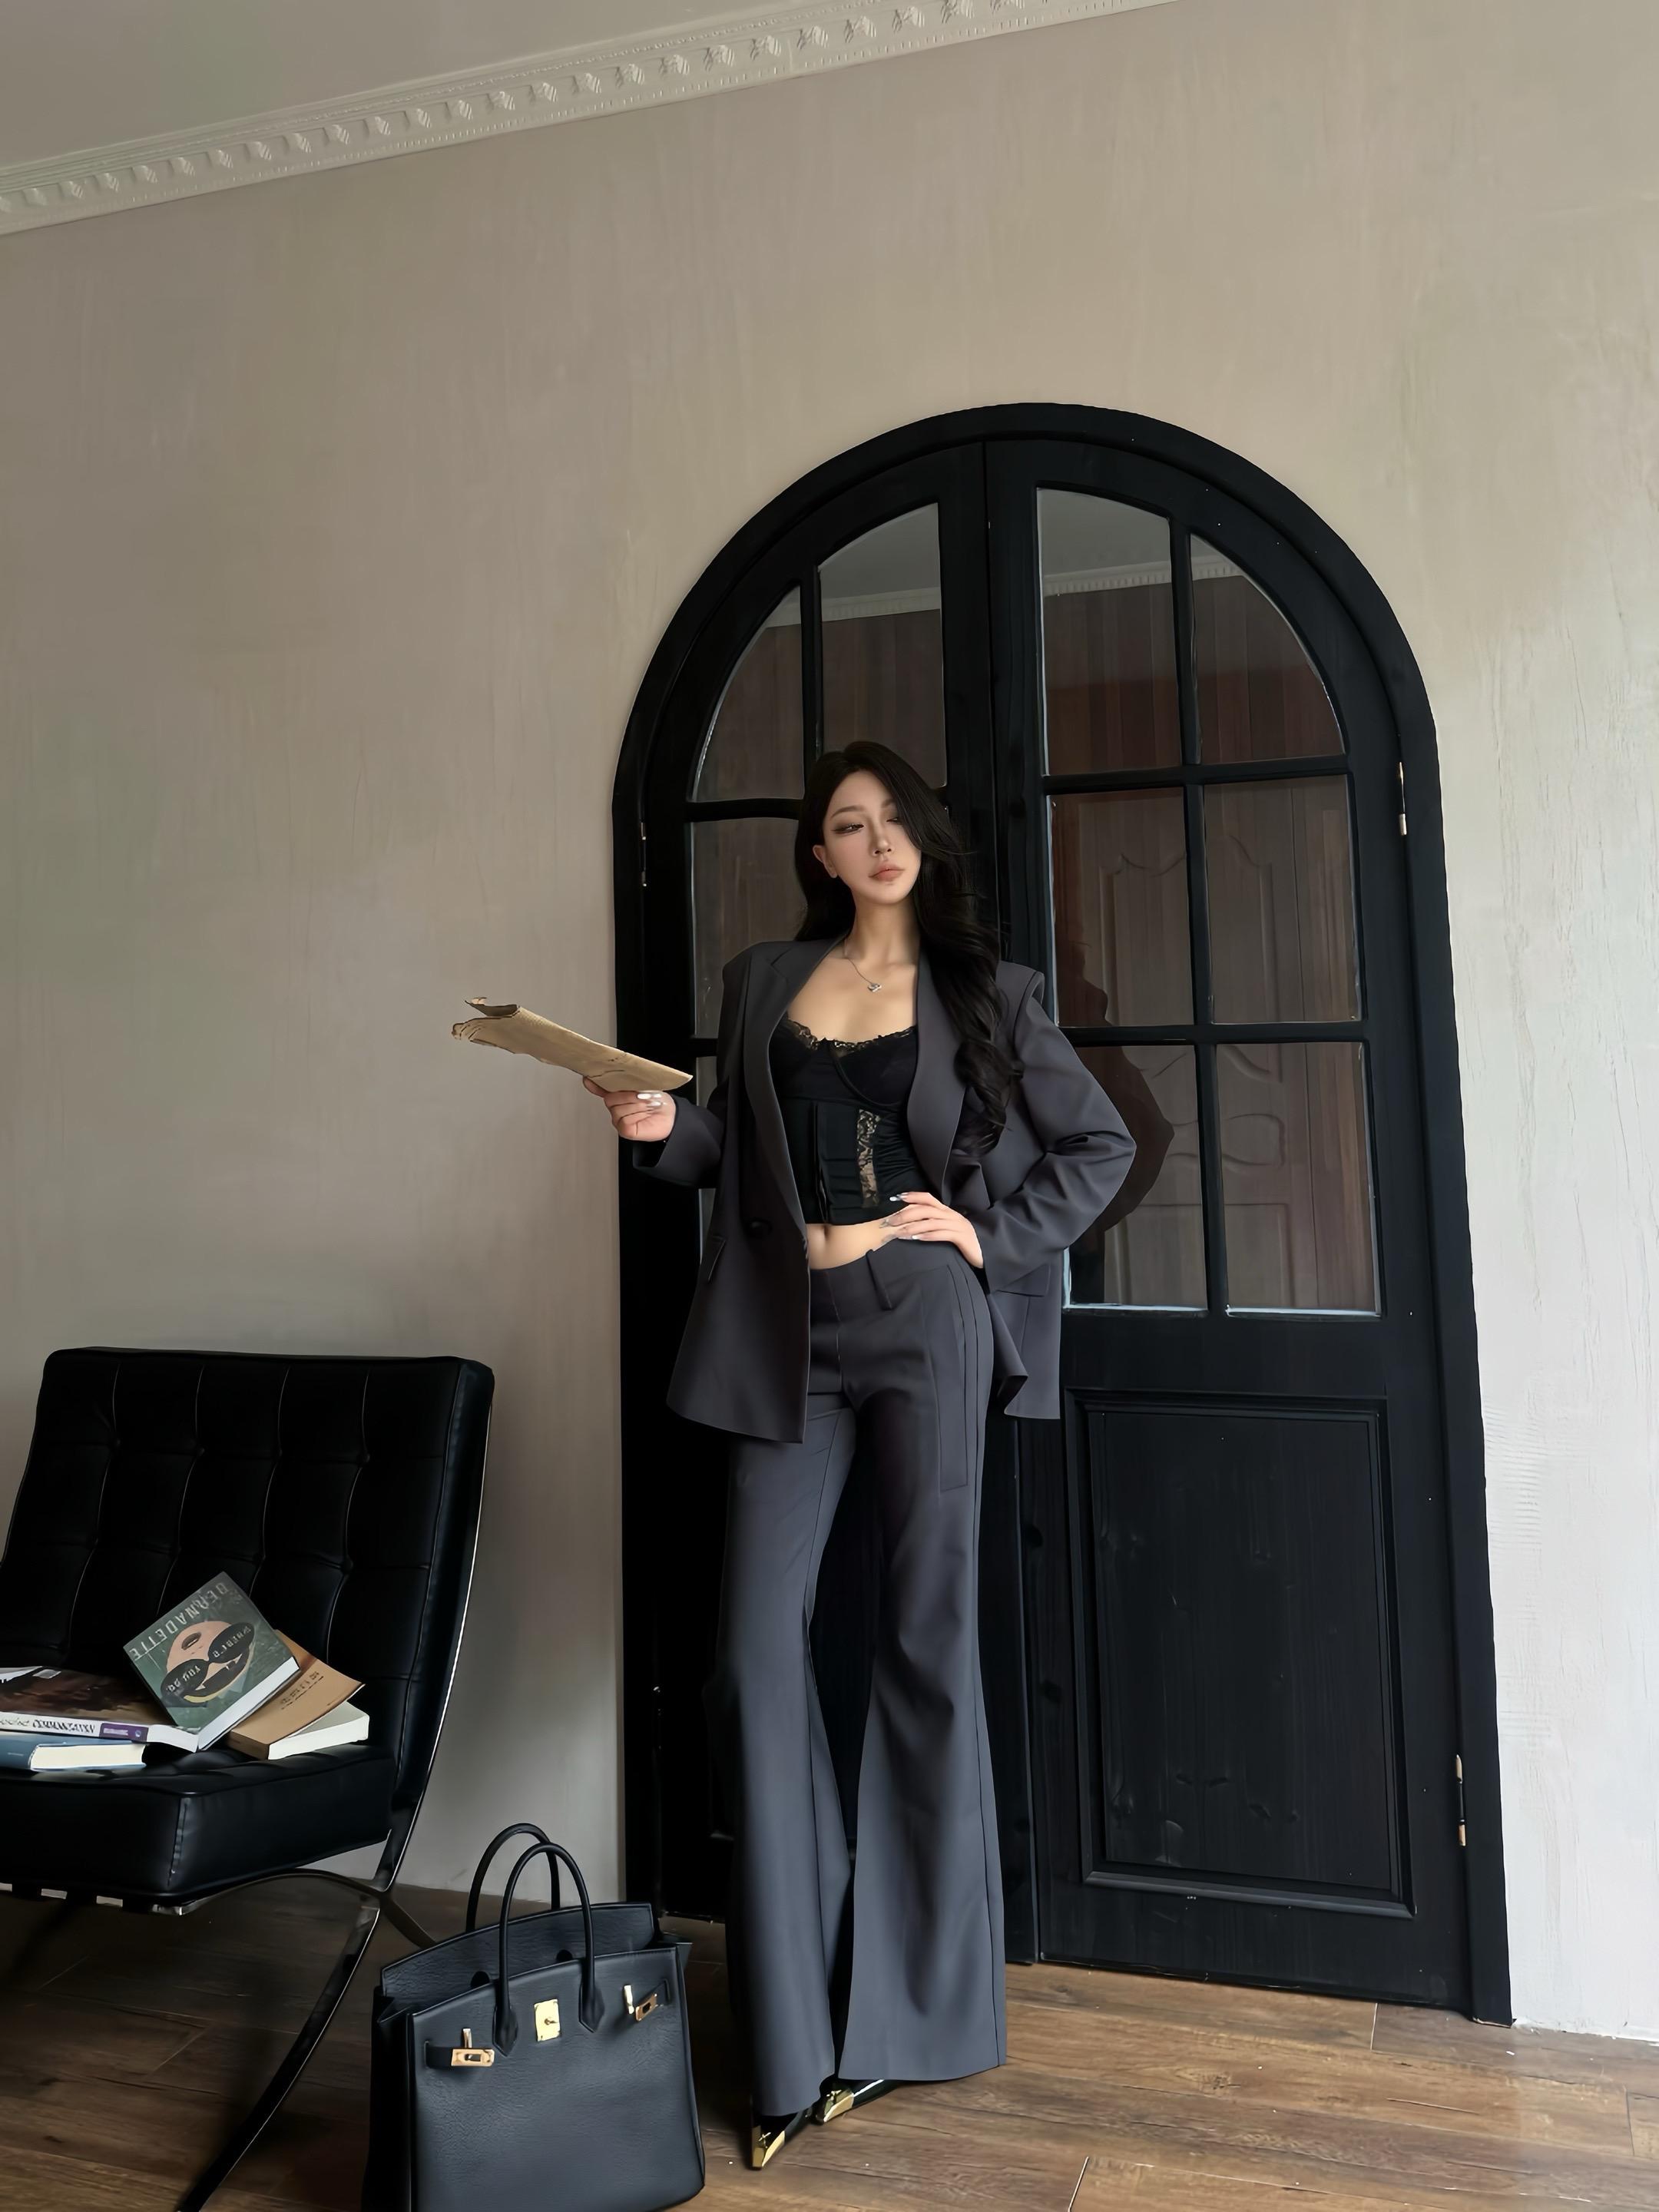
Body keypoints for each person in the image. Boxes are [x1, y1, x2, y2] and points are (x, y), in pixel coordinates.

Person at [588, 740, 1136, 2168]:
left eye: (895, 819)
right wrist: (664, 1127)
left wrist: (988, 1237)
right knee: (750, 1659)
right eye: (848, 823)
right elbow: (737, 1153)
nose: (878, 840)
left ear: (922, 841)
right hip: (788, 1333)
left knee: (924, 1643)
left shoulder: (990, 993)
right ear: (819, 855)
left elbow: (1101, 1147)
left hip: (924, 1320)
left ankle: (910, 2017)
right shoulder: (765, 980)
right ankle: (794, 2025)